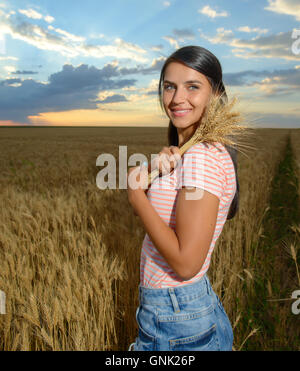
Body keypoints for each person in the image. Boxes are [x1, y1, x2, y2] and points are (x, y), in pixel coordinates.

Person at [127, 45, 238, 351]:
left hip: (177, 319)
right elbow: (163, 214)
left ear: (215, 94)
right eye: (169, 87)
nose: (177, 98)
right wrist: (154, 170)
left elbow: (186, 263)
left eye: (192, 86)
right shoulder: (189, 154)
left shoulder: (202, 157)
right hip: (180, 311)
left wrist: (136, 196)